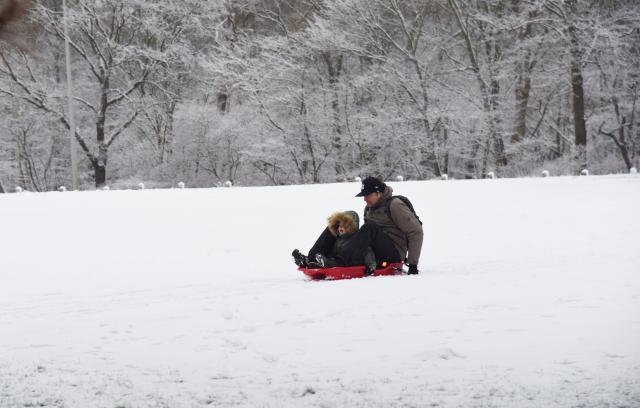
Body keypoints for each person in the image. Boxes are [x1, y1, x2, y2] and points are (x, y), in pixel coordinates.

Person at [292, 210, 400, 275]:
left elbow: (368, 252)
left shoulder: (358, 240)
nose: (340, 228)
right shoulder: (338, 238)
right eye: (339, 225)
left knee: (338, 258)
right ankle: (309, 259)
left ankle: (326, 263)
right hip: (334, 259)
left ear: (351, 227)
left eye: (344, 226)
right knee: (330, 230)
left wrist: (371, 266)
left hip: (348, 261)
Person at [356, 176, 423, 274]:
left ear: (378, 193)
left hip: (394, 253)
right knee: (342, 222)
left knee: (369, 227)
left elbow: (416, 232)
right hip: (376, 253)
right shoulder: (369, 208)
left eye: (367, 195)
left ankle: (345, 259)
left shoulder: (394, 205)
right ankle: (329, 257)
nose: (365, 199)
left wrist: (413, 265)